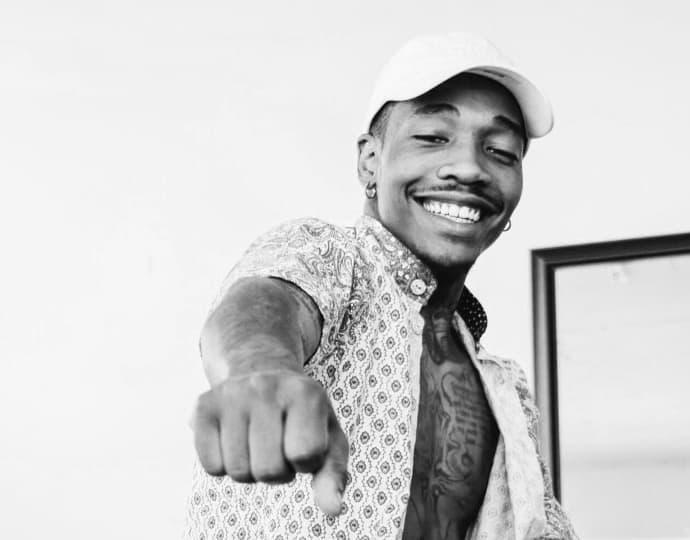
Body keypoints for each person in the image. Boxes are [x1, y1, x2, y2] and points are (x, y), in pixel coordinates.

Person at [185, 32, 578, 540]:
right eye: (434, 137)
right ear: (370, 161)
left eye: (500, 151)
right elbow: (266, 302)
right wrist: (258, 367)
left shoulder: (505, 390)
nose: (469, 167)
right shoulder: (332, 259)